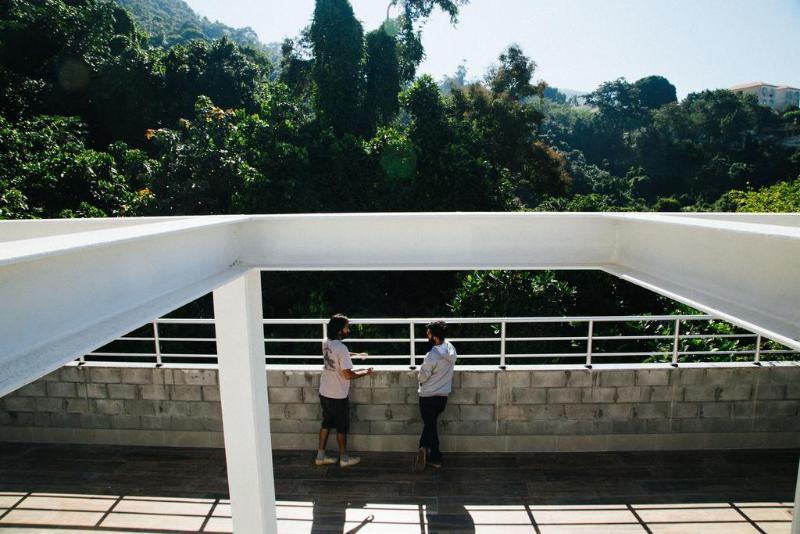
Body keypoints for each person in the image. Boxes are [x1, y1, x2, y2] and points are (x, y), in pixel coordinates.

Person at [316, 314, 373, 468]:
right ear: (340, 331)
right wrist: (365, 372)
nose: (348, 330)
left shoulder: (326, 342)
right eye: (346, 327)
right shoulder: (341, 347)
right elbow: (347, 375)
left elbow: (339, 355)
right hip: (337, 395)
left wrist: (357, 355)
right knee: (341, 427)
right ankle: (344, 458)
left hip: (324, 392)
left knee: (326, 423)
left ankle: (320, 456)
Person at [415, 320, 456, 470]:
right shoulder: (451, 348)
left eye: (429, 333)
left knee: (430, 426)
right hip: (442, 396)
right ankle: (422, 448)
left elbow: (422, 377)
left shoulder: (431, 356)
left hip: (427, 397)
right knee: (430, 425)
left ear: (434, 336)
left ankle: (436, 457)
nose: (427, 335)